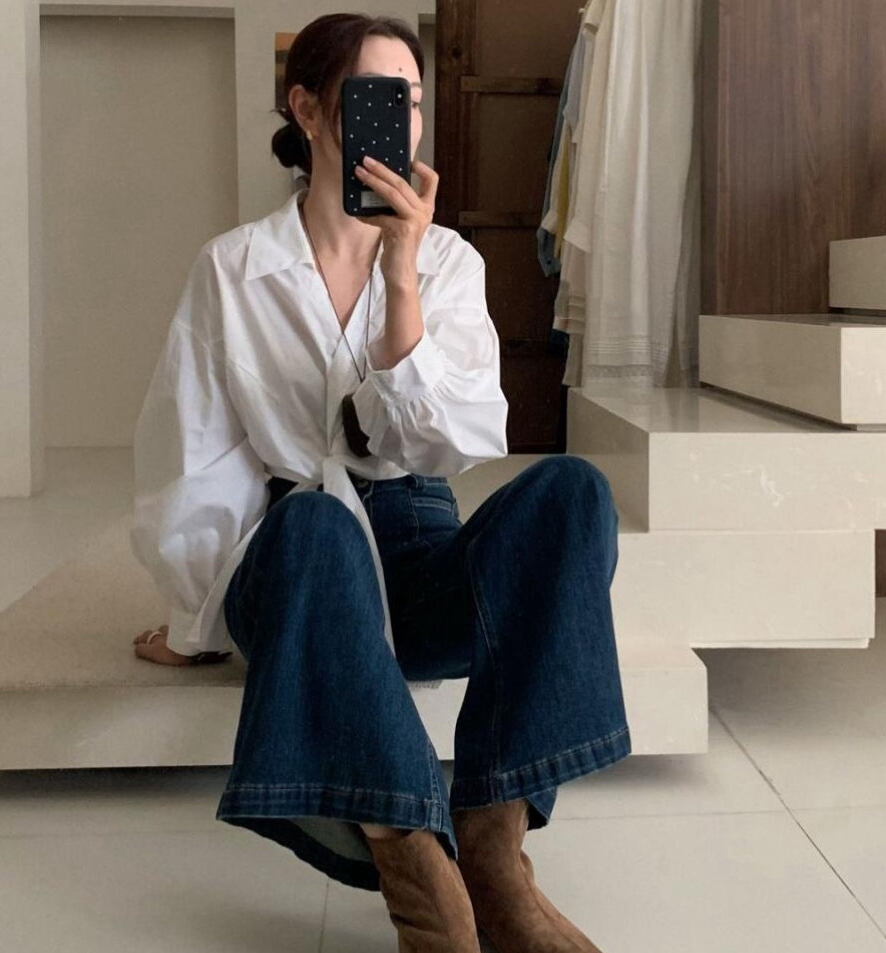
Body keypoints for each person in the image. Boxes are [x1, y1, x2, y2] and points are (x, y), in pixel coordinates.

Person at [129, 12, 630, 953]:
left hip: (418, 547)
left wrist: (402, 276)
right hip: (302, 568)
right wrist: (196, 624)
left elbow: (464, 435)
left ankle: (495, 856)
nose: (400, 119)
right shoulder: (232, 268)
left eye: (412, 100)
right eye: (376, 97)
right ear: (309, 108)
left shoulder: (446, 263)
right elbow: (191, 462)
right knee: (316, 520)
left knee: (571, 492)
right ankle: (425, 889)